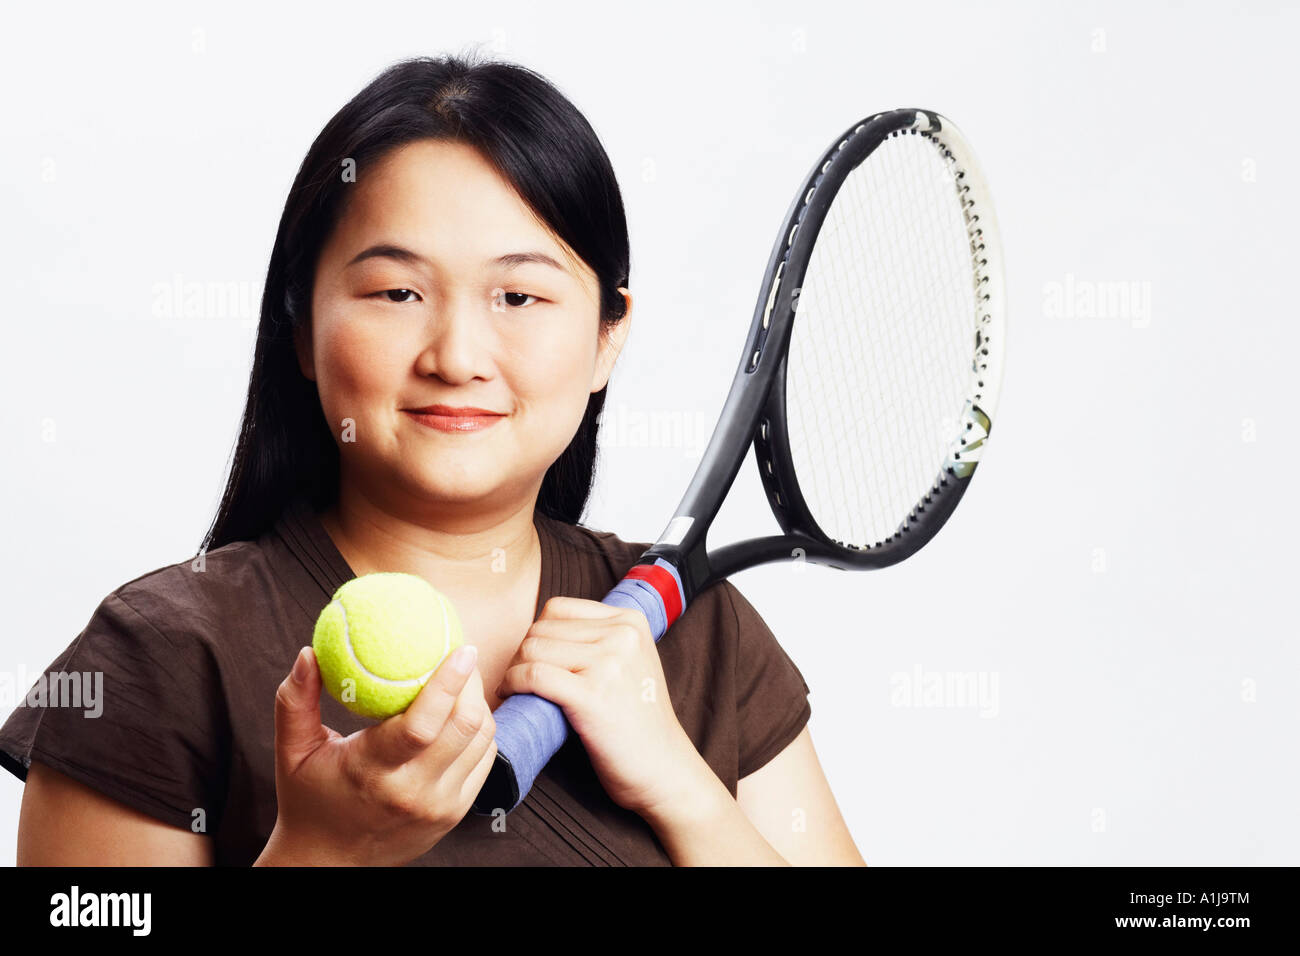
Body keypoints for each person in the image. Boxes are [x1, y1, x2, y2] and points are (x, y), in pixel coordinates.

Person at [1, 51, 865, 866]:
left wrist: (684, 789)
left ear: (609, 338)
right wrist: (320, 853)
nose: (456, 355)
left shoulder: (705, 639)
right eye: (398, 293)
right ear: (300, 328)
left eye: (519, 295)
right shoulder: (160, 657)